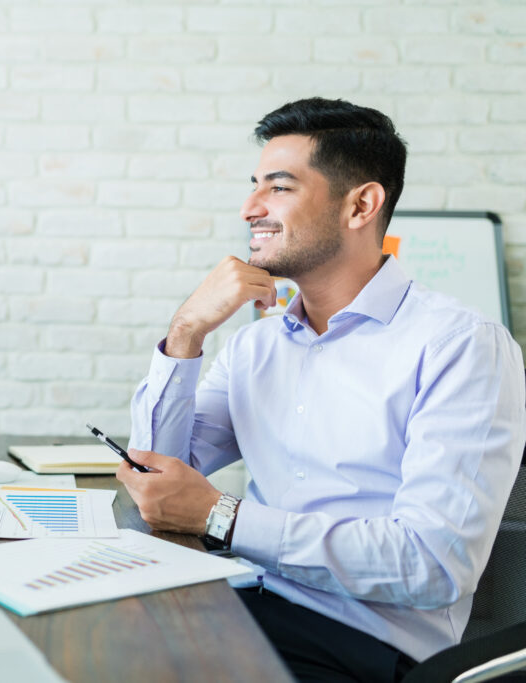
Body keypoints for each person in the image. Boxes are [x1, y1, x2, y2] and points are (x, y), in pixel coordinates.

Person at [118, 97, 526, 682]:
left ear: (361, 205)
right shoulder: (255, 347)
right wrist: (186, 332)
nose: (249, 207)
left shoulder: (460, 345)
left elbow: (434, 564)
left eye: (278, 188)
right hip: (244, 598)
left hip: (363, 644)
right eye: (253, 185)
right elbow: (154, 477)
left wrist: (224, 518)